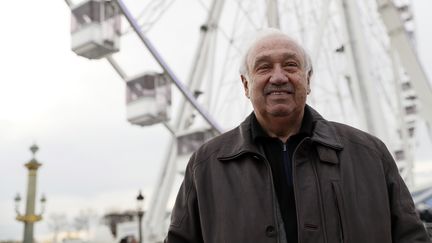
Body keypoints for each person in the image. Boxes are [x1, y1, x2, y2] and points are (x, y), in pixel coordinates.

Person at [164, 28, 431, 243]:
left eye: (291, 66)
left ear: (308, 80)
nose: (278, 77)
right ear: (246, 85)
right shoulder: (206, 166)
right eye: (264, 67)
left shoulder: (370, 155)